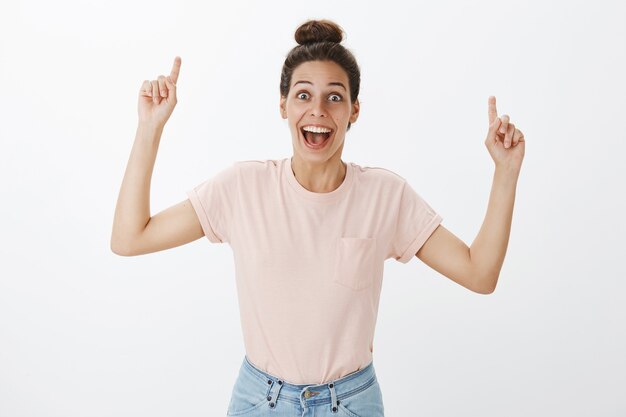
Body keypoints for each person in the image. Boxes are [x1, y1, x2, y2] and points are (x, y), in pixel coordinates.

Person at [111, 19, 525, 417]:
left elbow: (479, 274)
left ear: (354, 111)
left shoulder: (386, 195)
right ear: (284, 106)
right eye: (304, 95)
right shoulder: (242, 187)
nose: (318, 110)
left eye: (335, 96)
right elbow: (129, 239)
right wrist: (149, 128)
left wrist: (505, 172)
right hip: (260, 401)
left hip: (351, 402)